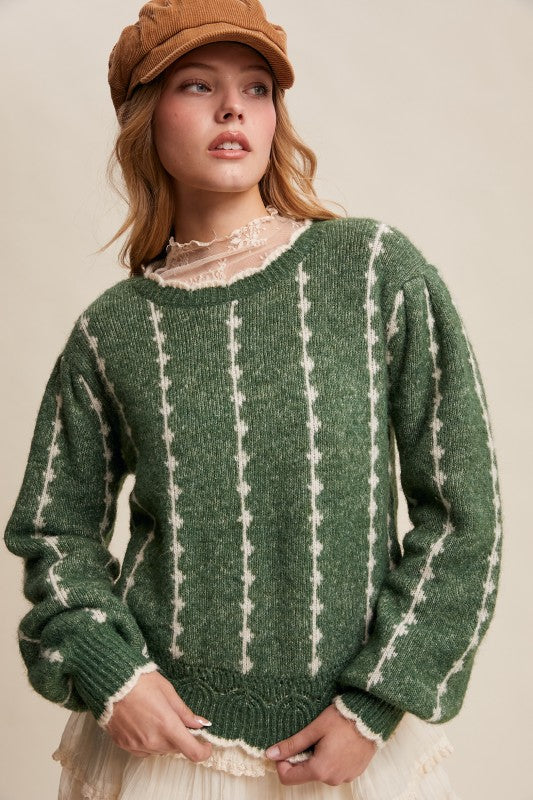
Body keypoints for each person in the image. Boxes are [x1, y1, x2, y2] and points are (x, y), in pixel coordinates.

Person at [3, 1, 503, 798]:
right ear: (144, 118)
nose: (233, 108)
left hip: (350, 750)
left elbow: (463, 509)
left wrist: (376, 702)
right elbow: (52, 531)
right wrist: (112, 674)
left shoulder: (372, 270)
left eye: (257, 88)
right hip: (169, 756)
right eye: (198, 85)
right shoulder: (113, 330)